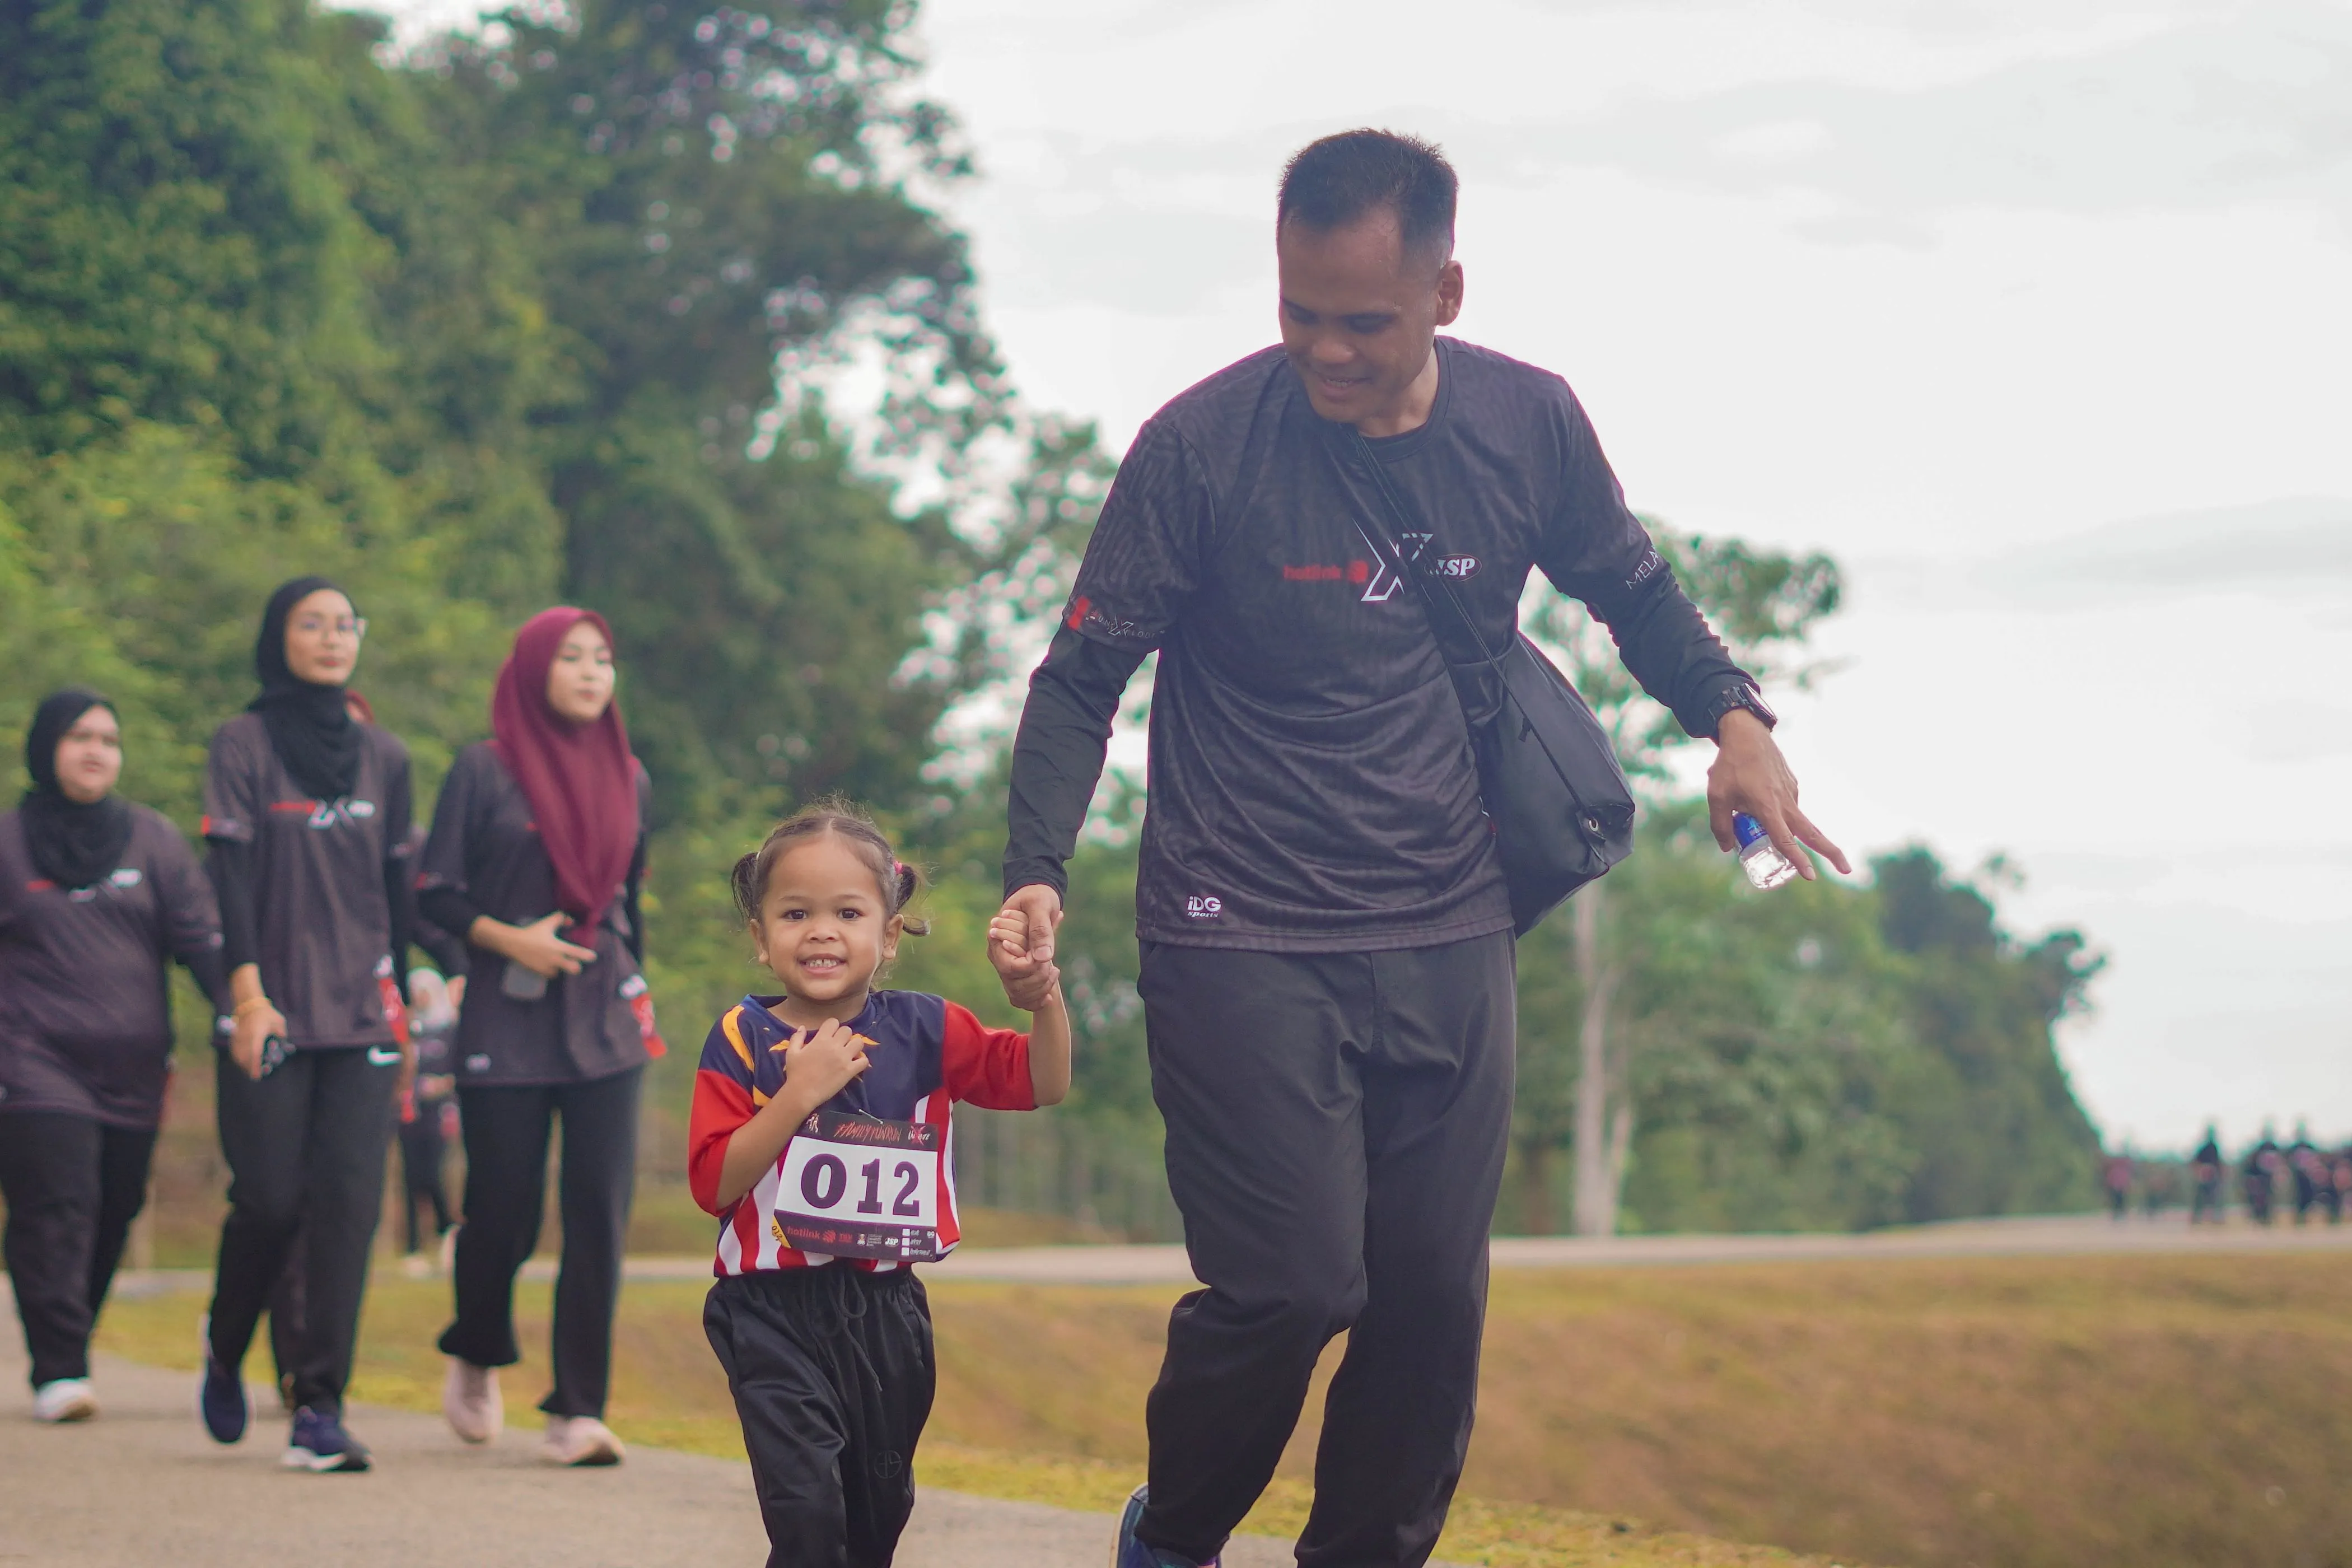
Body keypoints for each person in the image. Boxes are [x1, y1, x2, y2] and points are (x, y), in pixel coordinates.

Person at [990, 130, 1846, 1568]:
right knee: (1289, 1286)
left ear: (1447, 291)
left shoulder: (1529, 423)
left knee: (1430, 1303)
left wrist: (1736, 722)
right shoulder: (1201, 449)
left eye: (1363, 321)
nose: (1326, 349)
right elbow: (1082, 675)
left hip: (1448, 923)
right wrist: (1037, 867)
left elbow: (1631, 590)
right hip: (1235, 922)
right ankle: (1175, 1534)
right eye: (1298, 311)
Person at [690, 804, 1070, 1567]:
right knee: (805, 1510)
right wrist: (797, 1095)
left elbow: (1043, 1082)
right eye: (795, 913)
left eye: (848, 912)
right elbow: (713, 1182)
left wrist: (1044, 1002)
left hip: (886, 1314)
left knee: (874, 1517)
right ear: (763, 940)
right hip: (772, 1311)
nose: (822, 931)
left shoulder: (933, 1031)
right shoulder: (743, 1037)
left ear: (889, 935)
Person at [418, 608, 660, 1467]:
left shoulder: (630, 778)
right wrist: (506, 938)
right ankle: (478, 1350)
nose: (593, 672)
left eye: (603, 657)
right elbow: (435, 893)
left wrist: (639, 988)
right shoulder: (483, 773)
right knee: (504, 1212)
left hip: (604, 1021)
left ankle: (577, 1409)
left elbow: (630, 899)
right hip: (506, 1014)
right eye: (572, 657)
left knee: (598, 1212)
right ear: (532, 670)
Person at [197, 576, 418, 1472]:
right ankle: (224, 1341)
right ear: (278, 636)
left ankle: (317, 1407)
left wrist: (413, 992)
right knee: (271, 1200)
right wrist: (247, 997)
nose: (331, 638)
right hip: (271, 1007)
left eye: (344, 625)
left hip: (364, 1014)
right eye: (311, 623)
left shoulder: (387, 758)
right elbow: (230, 877)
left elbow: (399, 896)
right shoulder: (242, 743)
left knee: (348, 1211)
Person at [0, 691, 223, 1423]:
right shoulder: (8, 842)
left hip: (134, 1069)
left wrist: (245, 1007)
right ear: (45, 748)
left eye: (108, 739)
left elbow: (200, 940)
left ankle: (68, 1337)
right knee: (57, 1203)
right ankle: (59, 1367)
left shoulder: (152, 841)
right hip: (32, 1059)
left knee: (113, 1208)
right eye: (77, 737)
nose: (95, 750)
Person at [396, 966, 461, 1275]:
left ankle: (448, 1228)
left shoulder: (449, 1029)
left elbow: (459, 1072)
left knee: (432, 1174)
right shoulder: (409, 1030)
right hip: (410, 1113)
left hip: (440, 1114)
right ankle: (412, 1247)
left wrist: (441, 1085)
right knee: (409, 1179)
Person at [2191, 1128, 2224, 1224]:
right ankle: (2197, 1217)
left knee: (2215, 1197)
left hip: (2212, 1176)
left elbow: (2218, 1163)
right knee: (2202, 1198)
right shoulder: (2205, 1148)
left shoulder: (2213, 1148)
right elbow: (2196, 1162)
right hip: (2204, 1176)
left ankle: (2216, 1217)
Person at [2102, 1151, 2134, 1221]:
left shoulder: (2119, 1170)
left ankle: (2120, 1214)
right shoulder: (2118, 1170)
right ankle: (2118, 1214)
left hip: (2119, 1188)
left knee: (2120, 1201)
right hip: (2117, 1187)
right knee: (2117, 1201)